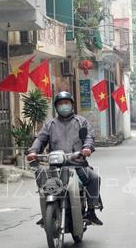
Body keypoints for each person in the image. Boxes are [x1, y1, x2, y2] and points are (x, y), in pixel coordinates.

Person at [27, 91, 103, 226]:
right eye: (60, 104)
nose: (64, 106)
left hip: (77, 164)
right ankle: (46, 213)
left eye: (66, 103)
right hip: (55, 167)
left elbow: (89, 137)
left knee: (94, 179)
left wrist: (87, 148)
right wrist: (33, 151)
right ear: (56, 107)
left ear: (72, 104)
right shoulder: (50, 124)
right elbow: (40, 139)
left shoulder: (81, 121)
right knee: (43, 181)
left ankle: (91, 211)